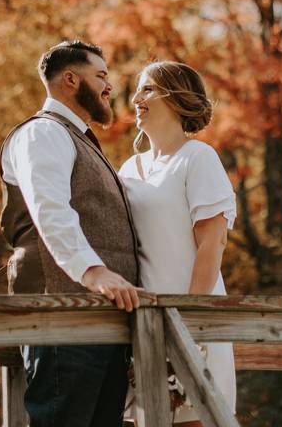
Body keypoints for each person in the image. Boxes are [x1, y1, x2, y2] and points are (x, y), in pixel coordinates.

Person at [0, 40, 143, 427]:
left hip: (99, 320)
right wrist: (93, 272)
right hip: (61, 316)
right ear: (70, 79)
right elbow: (51, 210)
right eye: (100, 76)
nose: (109, 87)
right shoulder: (42, 134)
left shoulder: (76, 138)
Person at [118, 61, 237, 425]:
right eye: (137, 90)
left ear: (176, 97)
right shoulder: (126, 170)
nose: (137, 98)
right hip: (142, 327)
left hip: (193, 324)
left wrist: (190, 326)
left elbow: (212, 244)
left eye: (148, 89)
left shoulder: (198, 158)